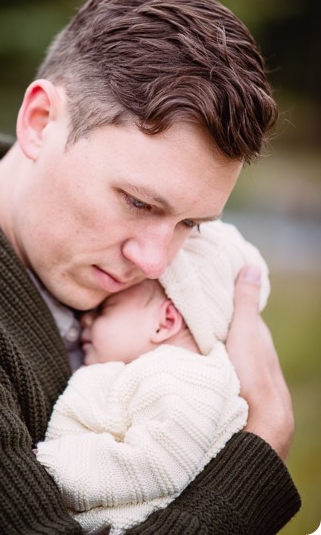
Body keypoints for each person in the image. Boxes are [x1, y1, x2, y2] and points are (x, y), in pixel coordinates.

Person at [0, 0, 300, 534]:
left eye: (190, 223)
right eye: (138, 202)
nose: (154, 261)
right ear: (41, 122)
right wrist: (263, 440)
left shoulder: (196, 280)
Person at [36, 220, 271, 534]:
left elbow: (157, 464)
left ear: (165, 322)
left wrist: (51, 467)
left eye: (106, 309)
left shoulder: (187, 377)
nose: (87, 318)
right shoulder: (154, 372)